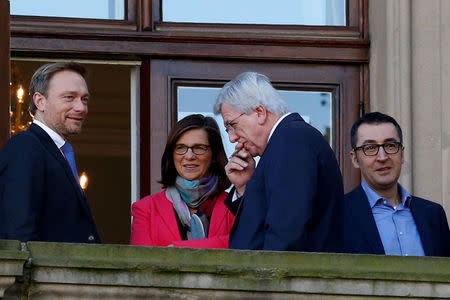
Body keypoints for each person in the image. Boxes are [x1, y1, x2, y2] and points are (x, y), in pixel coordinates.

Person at [213, 71, 344, 252]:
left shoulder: (291, 139)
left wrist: (267, 279)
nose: (232, 138)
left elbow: (286, 232)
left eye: (232, 125)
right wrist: (245, 187)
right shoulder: (284, 141)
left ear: (260, 112)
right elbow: (264, 224)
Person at [0, 62, 100, 243]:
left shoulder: (56, 150)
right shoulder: (25, 147)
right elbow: (18, 235)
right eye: (69, 97)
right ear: (40, 101)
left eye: (84, 99)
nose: (81, 108)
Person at [345, 112, 450, 256]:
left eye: (390, 145)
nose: (382, 157)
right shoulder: (339, 215)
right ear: (355, 159)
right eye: (370, 148)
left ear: (402, 153)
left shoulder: (433, 215)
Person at [130, 114, 234, 248]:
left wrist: (178, 249)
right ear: (171, 154)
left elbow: (241, 244)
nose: (189, 156)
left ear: (213, 155)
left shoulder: (234, 206)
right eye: (180, 147)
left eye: (199, 147)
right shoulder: (146, 209)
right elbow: (141, 261)